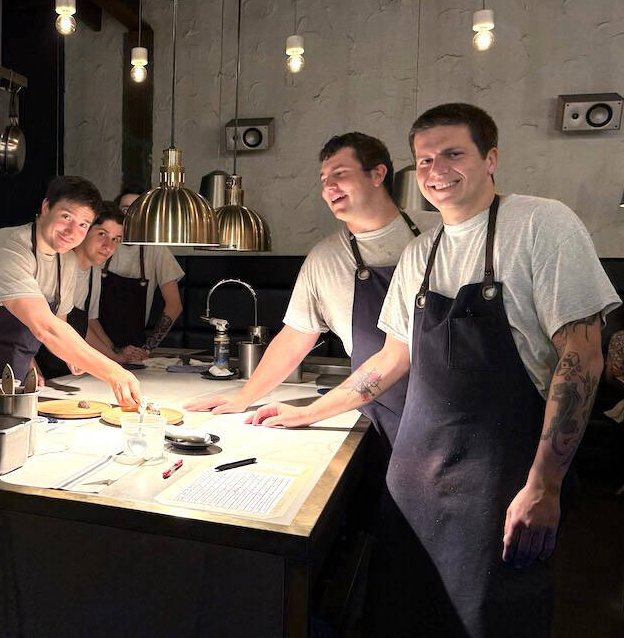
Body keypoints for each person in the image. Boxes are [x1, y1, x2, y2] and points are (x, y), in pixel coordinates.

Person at [250, 103, 619, 638]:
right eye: (425, 159)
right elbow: (391, 359)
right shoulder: (422, 256)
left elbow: (582, 357)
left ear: (490, 159)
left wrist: (546, 485)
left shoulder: (541, 225)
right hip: (418, 484)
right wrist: (306, 412)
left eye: (453, 153)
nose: (436, 170)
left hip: (502, 482)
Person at [187, 133, 439, 458]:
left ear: (377, 174)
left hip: (449, 409)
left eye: (340, 174)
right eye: (323, 180)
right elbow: (295, 338)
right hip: (377, 412)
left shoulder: (439, 234)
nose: (329, 187)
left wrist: (309, 412)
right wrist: (244, 396)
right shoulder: (325, 258)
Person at [0, 177, 141, 410]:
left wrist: (73, 356)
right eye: (66, 217)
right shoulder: (6, 248)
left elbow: (59, 324)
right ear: (46, 208)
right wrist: (113, 372)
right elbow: (45, 328)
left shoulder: (66, 262)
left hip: (9, 390)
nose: (72, 231)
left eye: (83, 225)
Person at [90, 186, 184, 363]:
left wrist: (146, 349)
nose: (131, 215)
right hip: (95, 346)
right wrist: (114, 351)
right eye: (126, 209)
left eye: (138, 209)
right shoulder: (103, 247)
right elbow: (88, 315)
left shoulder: (156, 250)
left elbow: (174, 305)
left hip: (136, 353)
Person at [33, 202, 124, 382]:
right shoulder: (57, 265)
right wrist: (32, 372)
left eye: (116, 239)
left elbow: (86, 325)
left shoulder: (94, 272)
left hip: (65, 374)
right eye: (102, 234)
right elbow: (29, 325)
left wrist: (115, 357)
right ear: (85, 230)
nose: (108, 246)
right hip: (39, 370)